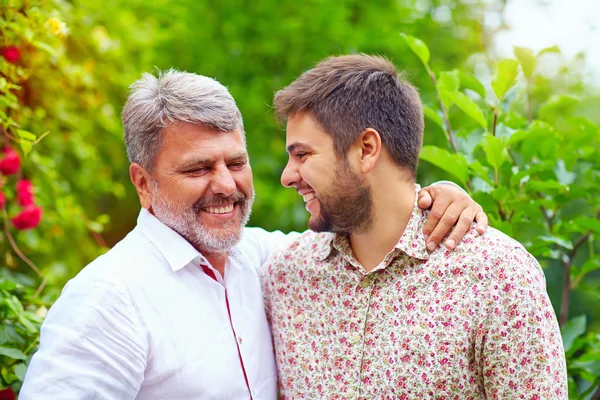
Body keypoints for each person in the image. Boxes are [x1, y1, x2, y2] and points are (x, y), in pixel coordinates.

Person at [21, 69, 486, 399]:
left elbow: (372, 230)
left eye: (236, 163)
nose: (226, 185)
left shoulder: (268, 260)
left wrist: (434, 197)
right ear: (143, 183)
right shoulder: (109, 298)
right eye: (199, 167)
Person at [263, 55, 568, 399]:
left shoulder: (497, 276)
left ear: (366, 149)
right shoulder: (285, 276)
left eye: (302, 155)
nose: (287, 176)